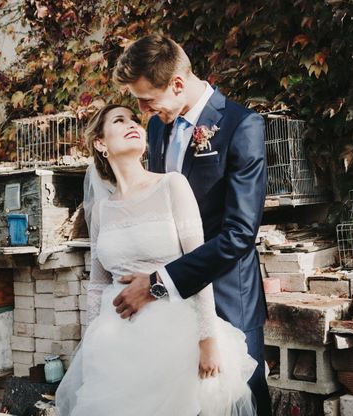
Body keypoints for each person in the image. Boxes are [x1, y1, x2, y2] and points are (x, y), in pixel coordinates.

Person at [56, 105, 257, 415]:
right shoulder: (101, 210)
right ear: (100, 143)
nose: (132, 124)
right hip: (116, 344)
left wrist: (207, 339)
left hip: (173, 337)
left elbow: (198, 263)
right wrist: (92, 345)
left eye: (134, 119)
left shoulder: (171, 185)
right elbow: (97, 284)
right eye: (119, 121)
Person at [110, 34, 271, 415]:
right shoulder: (157, 128)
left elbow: (238, 236)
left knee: (240, 403)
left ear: (178, 84)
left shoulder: (241, 126)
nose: (144, 110)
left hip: (228, 297)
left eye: (147, 99)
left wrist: (156, 284)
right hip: (174, 309)